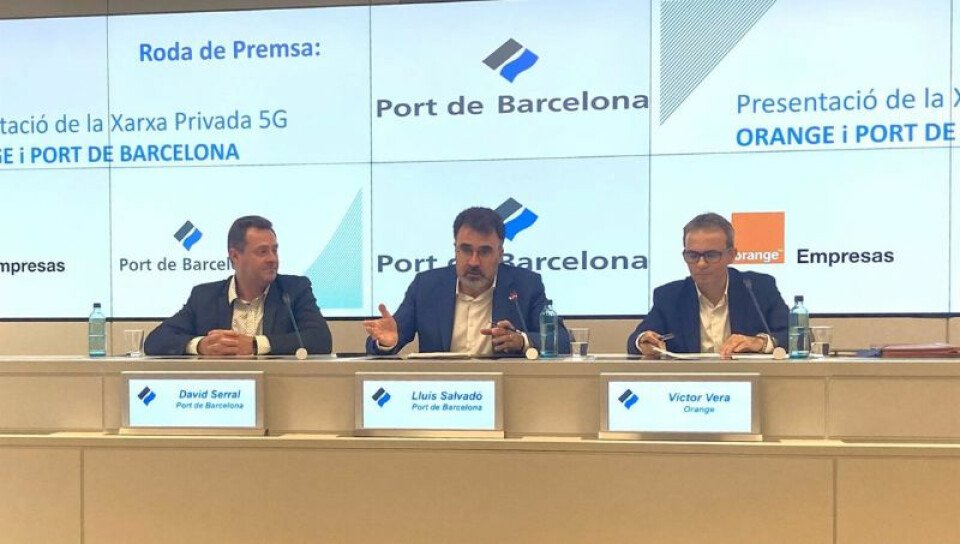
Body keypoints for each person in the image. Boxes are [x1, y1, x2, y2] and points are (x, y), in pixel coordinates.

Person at [364, 206, 569, 356]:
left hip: (505, 389)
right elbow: (389, 336)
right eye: (466, 250)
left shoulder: (526, 285)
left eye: (484, 252)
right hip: (441, 392)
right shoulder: (426, 286)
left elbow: (562, 339)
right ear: (455, 249)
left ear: (500, 254)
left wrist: (522, 341)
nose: (473, 262)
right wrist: (387, 343)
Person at [144, 215, 332, 356]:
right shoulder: (205, 296)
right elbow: (155, 341)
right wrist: (200, 346)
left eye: (274, 250)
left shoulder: (293, 290)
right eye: (262, 252)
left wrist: (255, 345)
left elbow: (320, 339)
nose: (272, 259)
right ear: (235, 256)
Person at [627, 212, 788, 358]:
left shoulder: (757, 288)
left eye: (711, 255)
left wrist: (759, 342)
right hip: (689, 380)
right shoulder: (669, 296)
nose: (701, 264)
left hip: (749, 378)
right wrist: (644, 342)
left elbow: (792, 336)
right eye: (693, 255)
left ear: (731, 255)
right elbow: (636, 341)